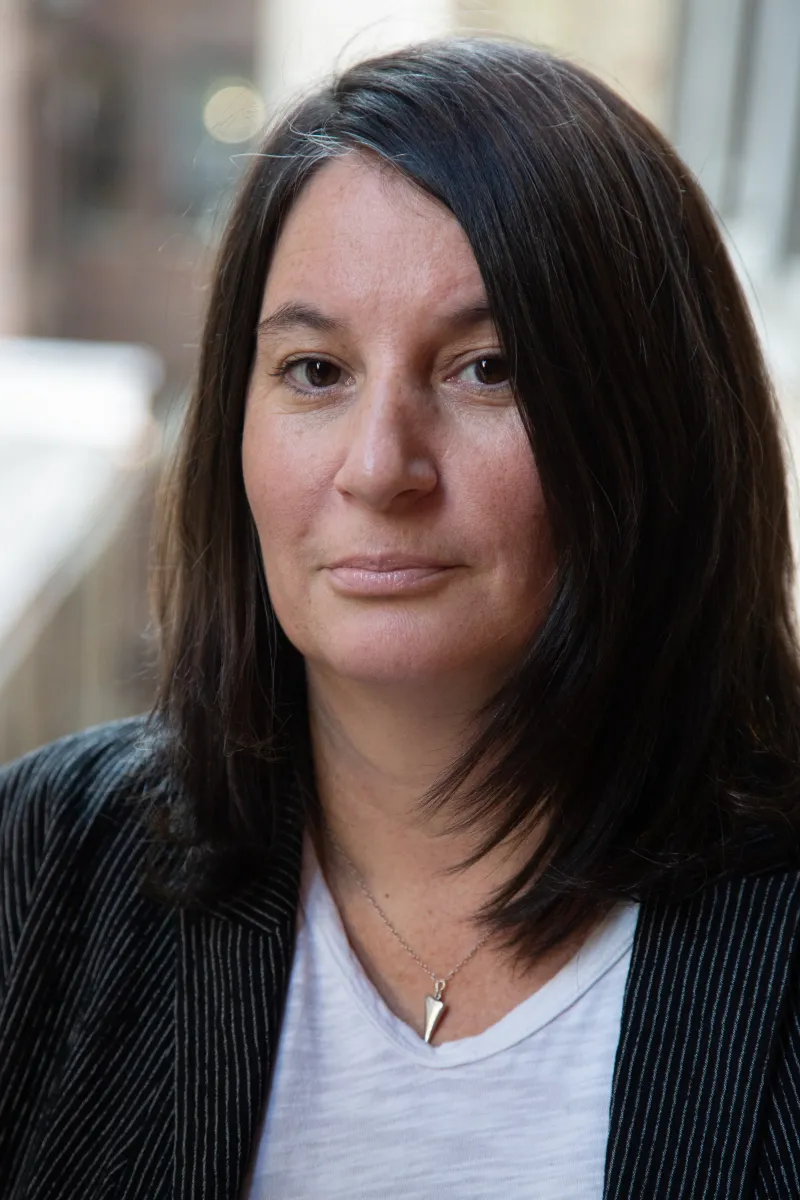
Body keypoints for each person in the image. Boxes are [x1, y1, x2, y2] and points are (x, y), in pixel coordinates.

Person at [2, 35, 800, 1200]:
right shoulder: (41, 869)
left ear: (650, 431)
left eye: (485, 368)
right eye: (316, 372)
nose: (380, 468)